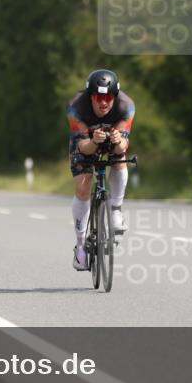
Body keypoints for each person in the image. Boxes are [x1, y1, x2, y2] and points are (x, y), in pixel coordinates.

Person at [67, 69, 135, 270]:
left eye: (108, 97)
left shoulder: (126, 107)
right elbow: (81, 147)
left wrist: (118, 141)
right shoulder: (75, 108)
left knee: (119, 158)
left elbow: (123, 147)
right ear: (91, 97)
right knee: (83, 185)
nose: (103, 102)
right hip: (86, 142)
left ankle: (115, 210)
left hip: (113, 140)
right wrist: (94, 141)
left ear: (114, 97)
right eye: (98, 97)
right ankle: (80, 248)